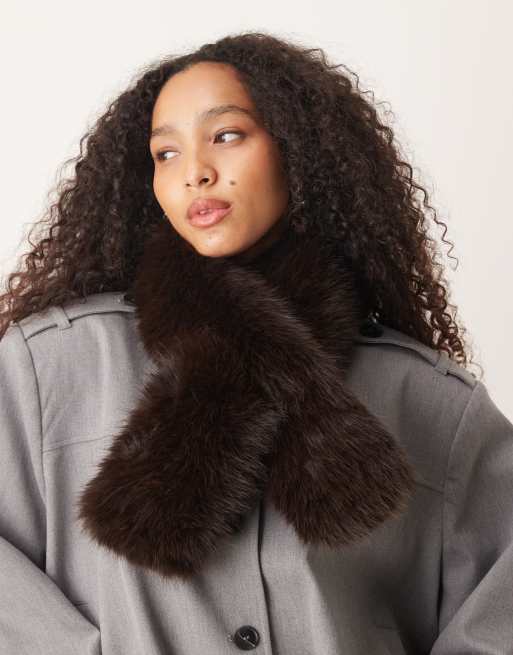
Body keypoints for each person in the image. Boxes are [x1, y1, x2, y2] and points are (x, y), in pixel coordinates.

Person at [0, 30, 512, 655]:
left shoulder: (431, 403)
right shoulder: (50, 368)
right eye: (166, 153)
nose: (196, 172)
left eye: (226, 135)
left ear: (297, 148)